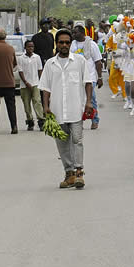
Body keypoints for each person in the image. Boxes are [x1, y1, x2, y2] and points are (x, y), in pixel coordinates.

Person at [40, 29, 94, 189]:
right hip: (57, 111)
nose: (64, 45)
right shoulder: (50, 64)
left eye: (67, 42)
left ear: (71, 44)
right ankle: (69, 173)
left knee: (77, 140)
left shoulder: (80, 61)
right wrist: (45, 106)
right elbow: (45, 88)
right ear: (56, 44)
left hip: (75, 109)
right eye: (61, 42)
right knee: (62, 143)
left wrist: (89, 102)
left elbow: (88, 82)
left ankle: (79, 172)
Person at [71, 25, 103, 130]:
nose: (73, 35)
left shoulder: (92, 45)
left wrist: (100, 77)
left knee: (91, 100)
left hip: (90, 77)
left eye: (75, 33)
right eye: (73, 33)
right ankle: (78, 121)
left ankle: (95, 120)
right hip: (76, 77)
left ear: (82, 33)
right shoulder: (72, 45)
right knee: (77, 100)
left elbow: (98, 62)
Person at [17, 40, 44, 131]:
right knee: (26, 104)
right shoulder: (21, 58)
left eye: (32, 47)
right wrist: (26, 82)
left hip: (35, 83)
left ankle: (41, 121)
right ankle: (30, 121)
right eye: (29, 47)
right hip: (24, 85)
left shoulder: (37, 57)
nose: (30, 48)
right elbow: (20, 71)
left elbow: (40, 70)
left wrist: (41, 81)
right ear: (25, 47)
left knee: (37, 101)